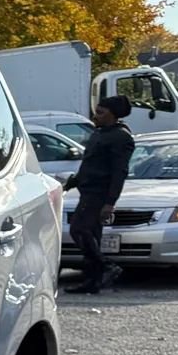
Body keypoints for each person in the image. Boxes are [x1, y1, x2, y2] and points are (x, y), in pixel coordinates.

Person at [64, 95, 136, 293]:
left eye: (101, 112)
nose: (96, 116)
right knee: (91, 236)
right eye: (96, 111)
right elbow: (89, 164)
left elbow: (119, 171)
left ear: (113, 115)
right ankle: (93, 280)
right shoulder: (100, 133)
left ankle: (107, 266)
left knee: (79, 230)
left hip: (99, 194)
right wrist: (71, 183)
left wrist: (110, 202)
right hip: (86, 191)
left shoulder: (121, 137)